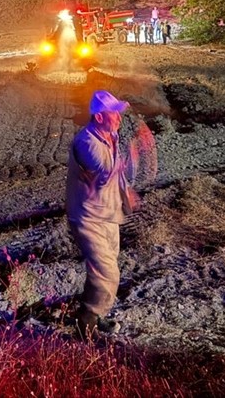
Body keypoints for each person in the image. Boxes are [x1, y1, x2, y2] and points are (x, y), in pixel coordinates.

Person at [66, 89, 157, 339]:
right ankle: (85, 327)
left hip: (108, 213)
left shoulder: (110, 135)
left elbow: (116, 175)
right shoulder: (87, 143)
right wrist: (138, 149)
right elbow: (106, 174)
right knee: (107, 272)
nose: (119, 118)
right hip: (88, 217)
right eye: (114, 114)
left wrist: (126, 191)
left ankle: (96, 315)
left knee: (104, 268)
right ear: (98, 118)